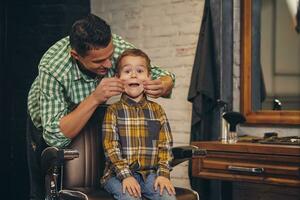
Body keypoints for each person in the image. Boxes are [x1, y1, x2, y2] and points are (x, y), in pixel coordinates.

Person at [27, 14, 175, 148]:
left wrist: (163, 85)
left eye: (110, 56)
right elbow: (55, 137)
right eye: (99, 61)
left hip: (90, 118)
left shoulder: (116, 46)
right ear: (76, 55)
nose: (109, 64)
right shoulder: (53, 68)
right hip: (48, 124)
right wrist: (95, 98)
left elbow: (164, 76)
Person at [101, 49, 176, 200]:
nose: (134, 75)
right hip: (117, 175)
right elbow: (111, 148)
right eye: (127, 71)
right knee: (130, 197)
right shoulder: (113, 111)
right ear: (118, 78)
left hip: (150, 175)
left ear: (149, 77)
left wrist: (163, 174)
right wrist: (126, 176)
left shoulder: (157, 110)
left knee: (167, 196)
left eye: (140, 71)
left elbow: (165, 146)